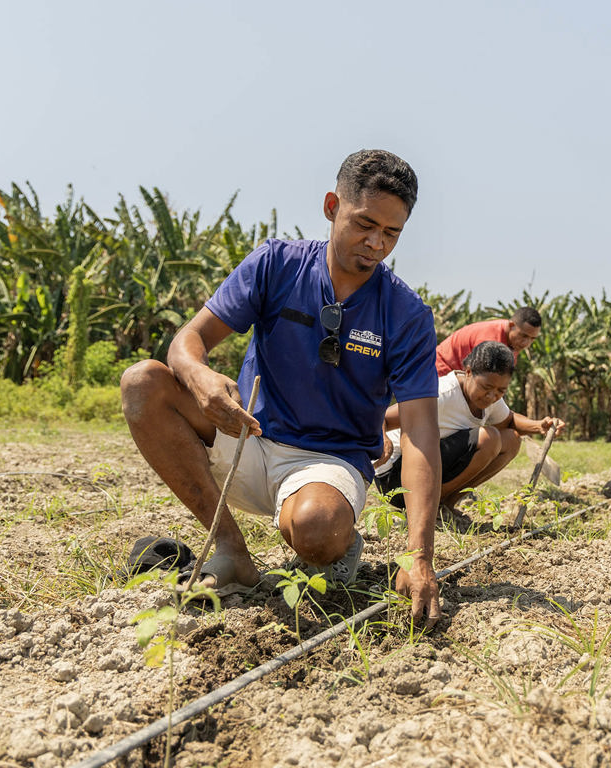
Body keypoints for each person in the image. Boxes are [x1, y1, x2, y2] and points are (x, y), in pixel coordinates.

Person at [120, 149, 442, 627]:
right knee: (142, 382)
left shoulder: (406, 314)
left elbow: (419, 434)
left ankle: (338, 538)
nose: (375, 243)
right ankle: (231, 553)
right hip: (247, 433)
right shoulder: (277, 264)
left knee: (315, 530)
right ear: (332, 205)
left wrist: (419, 555)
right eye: (364, 223)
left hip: (328, 462)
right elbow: (187, 341)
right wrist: (199, 376)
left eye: (390, 233)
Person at [375, 341, 563, 513]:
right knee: (489, 438)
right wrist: (383, 441)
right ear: (469, 372)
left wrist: (540, 426)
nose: (492, 396)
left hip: (430, 468)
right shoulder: (441, 395)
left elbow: (509, 422)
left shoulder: (490, 399)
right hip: (396, 479)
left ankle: (446, 503)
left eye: (501, 391)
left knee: (511, 440)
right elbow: (383, 418)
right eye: (486, 388)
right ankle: (426, 504)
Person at [434, 306, 542, 376]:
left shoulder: (514, 343)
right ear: (511, 325)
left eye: (532, 339)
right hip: (439, 371)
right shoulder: (491, 340)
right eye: (523, 336)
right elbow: (480, 382)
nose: (526, 343)